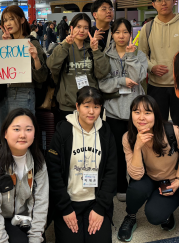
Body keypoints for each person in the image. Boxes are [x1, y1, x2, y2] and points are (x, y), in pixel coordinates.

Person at [47, 87, 117, 243]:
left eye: (96, 107)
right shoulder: (63, 131)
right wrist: (65, 208)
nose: (91, 111)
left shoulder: (105, 132)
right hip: (69, 201)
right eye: (86, 106)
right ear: (77, 106)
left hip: (95, 201)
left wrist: (100, 208)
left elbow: (111, 172)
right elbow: (54, 172)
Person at [0, 108, 48, 243]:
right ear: (5, 133)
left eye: (29, 129)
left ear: (35, 133)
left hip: (21, 217)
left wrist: (35, 237)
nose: (23, 135)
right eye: (16, 129)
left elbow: (41, 202)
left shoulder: (37, 160)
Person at [117, 96, 179, 241]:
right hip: (148, 177)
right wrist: (137, 147)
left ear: (156, 114)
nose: (141, 117)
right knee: (136, 189)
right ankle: (131, 216)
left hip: (172, 179)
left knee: (155, 215)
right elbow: (135, 175)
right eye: (136, 112)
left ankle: (166, 211)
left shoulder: (171, 131)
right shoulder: (128, 137)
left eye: (147, 112)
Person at [98, 18, 147, 201]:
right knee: (117, 152)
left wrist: (131, 57)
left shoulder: (139, 54)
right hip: (114, 112)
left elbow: (138, 78)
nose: (121, 36)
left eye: (125, 32)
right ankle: (121, 185)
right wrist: (120, 82)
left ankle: (138, 185)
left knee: (138, 149)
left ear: (130, 34)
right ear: (112, 34)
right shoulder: (105, 56)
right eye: (117, 32)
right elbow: (102, 84)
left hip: (136, 113)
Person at [138, 0, 179, 137]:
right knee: (157, 125)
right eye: (159, 0)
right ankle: (159, 156)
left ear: (174, 1)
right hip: (156, 86)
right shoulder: (147, 28)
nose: (163, 3)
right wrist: (152, 67)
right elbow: (141, 55)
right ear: (153, 4)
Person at [0, 5, 48, 128]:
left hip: (23, 91)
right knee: (4, 134)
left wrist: (36, 59)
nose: (8, 23)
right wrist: (6, 48)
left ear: (22, 20)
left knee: (21, 133)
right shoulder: (2, 43)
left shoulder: (31, 43)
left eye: (11, 19)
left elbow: (42, 77)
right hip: (3, 94)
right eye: (5, 20)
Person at [47, 13, 110, 122]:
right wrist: (66, 44)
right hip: (67, 106)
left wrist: (95, 50)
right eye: (78, 27)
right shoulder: (64, 47)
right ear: (71, 28)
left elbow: (103, 73)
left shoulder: (93, 48)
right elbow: (51, 65)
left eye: (86, 28)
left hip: (90, 106)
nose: (82, 31)